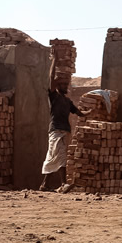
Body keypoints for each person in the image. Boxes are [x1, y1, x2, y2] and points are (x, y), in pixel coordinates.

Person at [40, 55, 89, 191]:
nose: (65, 86)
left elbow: (78, 112)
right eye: (62, 84)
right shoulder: (53, 97)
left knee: (52, 157)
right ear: (57, 86)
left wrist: (89, 112)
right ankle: (63, 184)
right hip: (56, 131)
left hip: (65, 131)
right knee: (61, 156)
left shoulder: (67, 102)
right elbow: (51, 78)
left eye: (66, 84)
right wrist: (54, 60)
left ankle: (45, 185)